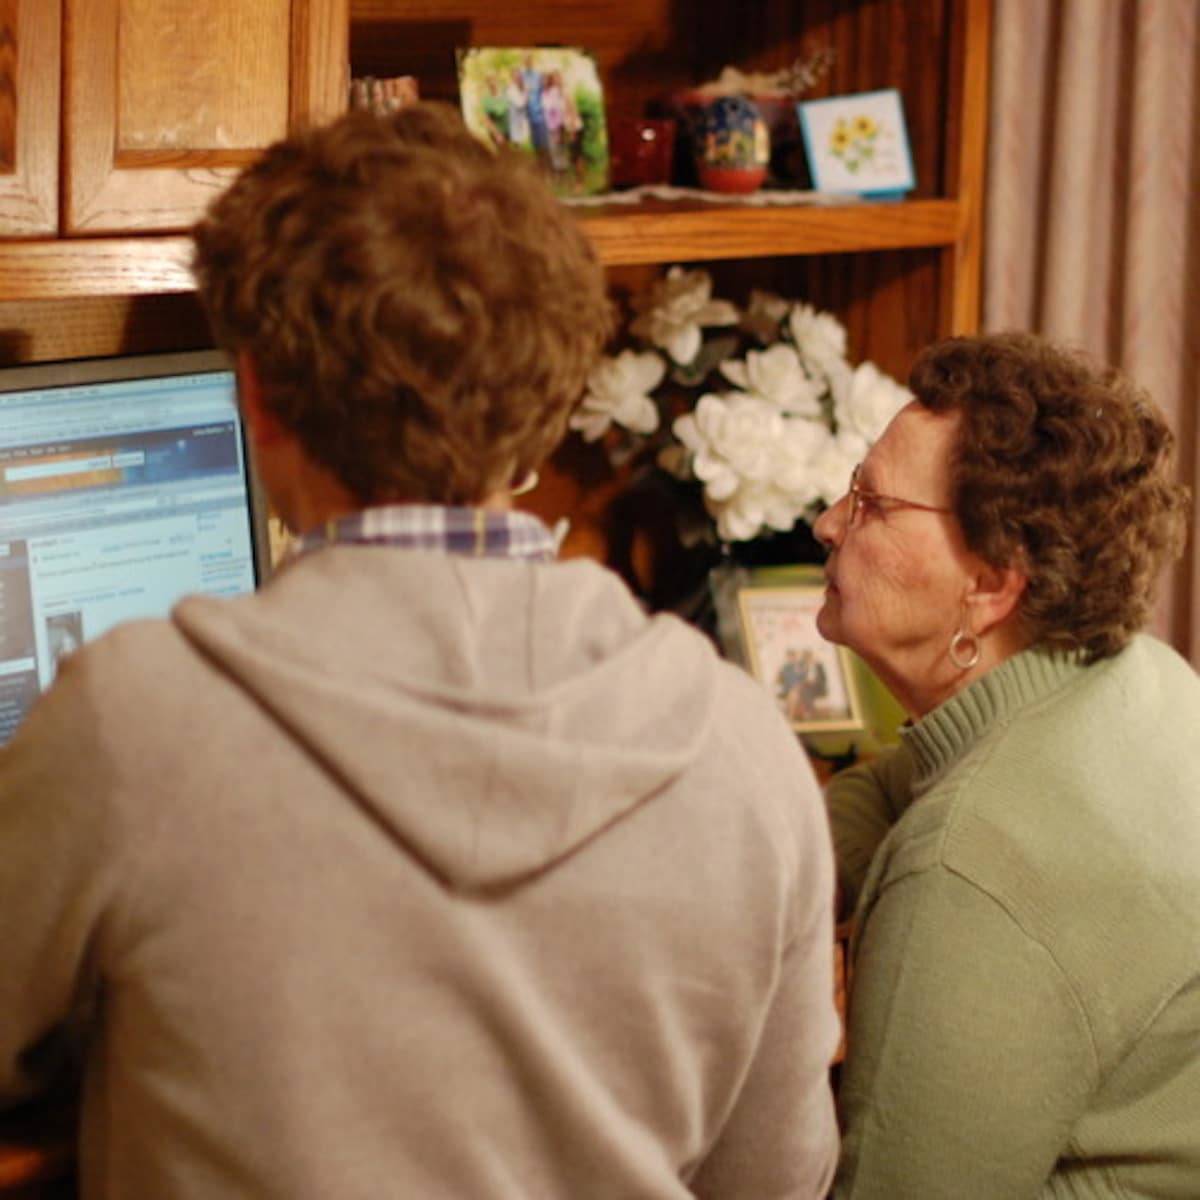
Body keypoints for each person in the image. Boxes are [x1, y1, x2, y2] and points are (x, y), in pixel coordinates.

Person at [0, 104, 840, 1198]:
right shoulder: (744, 744)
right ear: (548, 410)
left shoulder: (134, 721)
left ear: (254, 392)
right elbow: (776, 1175)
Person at [814, 331, 1200, 1198]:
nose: (828, 523)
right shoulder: (1140, 674)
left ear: (990, 585)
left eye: (871, 505)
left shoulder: (965, 872)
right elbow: (898, 784)